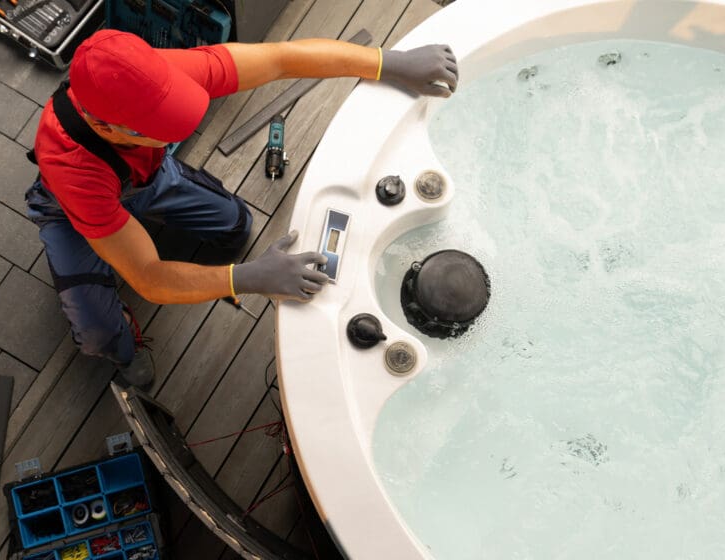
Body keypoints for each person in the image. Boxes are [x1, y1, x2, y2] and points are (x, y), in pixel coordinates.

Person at [27, 29, 458, 390]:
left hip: (148, 173)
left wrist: (387, 62)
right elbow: (148, 276)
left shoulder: (145, 73)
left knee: (236, 224)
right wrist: (246, 277)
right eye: (161, 128)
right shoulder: (75, 172)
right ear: (106, 126)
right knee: (97, 332)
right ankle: (123, 351)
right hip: (76, 208)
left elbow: (281, 59)